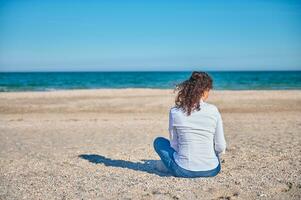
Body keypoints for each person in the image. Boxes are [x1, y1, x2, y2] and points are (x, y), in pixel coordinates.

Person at [153, 71, 226, 178]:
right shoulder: (213, 110)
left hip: (183, 170)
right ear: (204, 91)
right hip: (212, 170)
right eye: (208, 90)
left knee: (158, 142)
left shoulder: (175, 111)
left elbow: (174, 144)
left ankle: (166, 166)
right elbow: (221, 146)